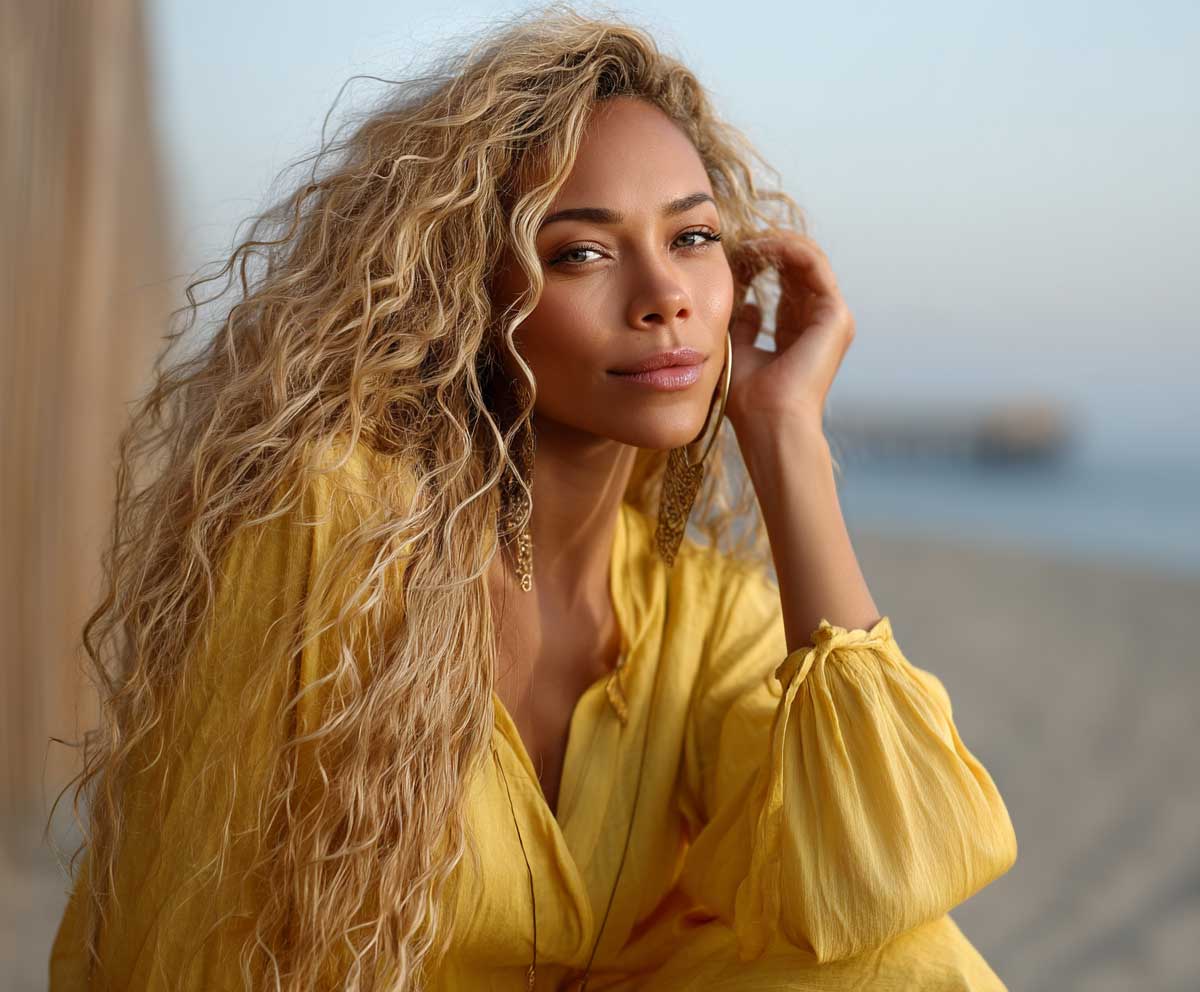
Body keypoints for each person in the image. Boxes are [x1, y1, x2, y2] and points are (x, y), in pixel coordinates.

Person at [47, 7, 1018, 990]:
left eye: (692, 237)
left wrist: (785, 436)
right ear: (464, 291)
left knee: (915, 963)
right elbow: (185, 933)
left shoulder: (703, 612)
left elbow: (884, 877)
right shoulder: (335, 526)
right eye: (581, 253)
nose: (664, 295)